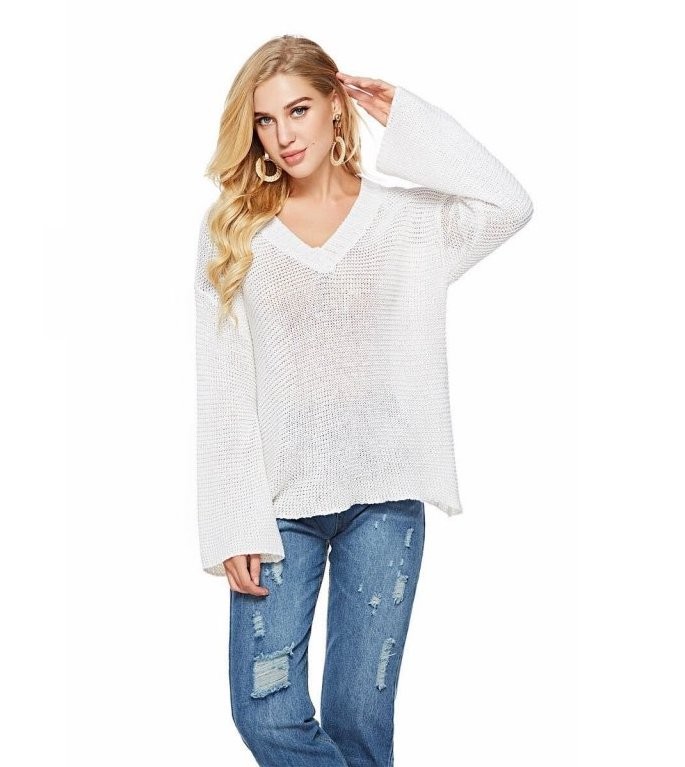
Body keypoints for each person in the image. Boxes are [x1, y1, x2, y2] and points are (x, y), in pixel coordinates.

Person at [194, 34, 533, 767]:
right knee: (265, 714)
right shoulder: (237, 232)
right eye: (264, 120)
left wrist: (410, 120)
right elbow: (222, 384)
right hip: (276, 510)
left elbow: (510, 203)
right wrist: (230, 520)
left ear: (335, 107)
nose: (283, 135)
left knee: (359, 724)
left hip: (385, 500)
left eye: (299, 109)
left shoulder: (407, 224)